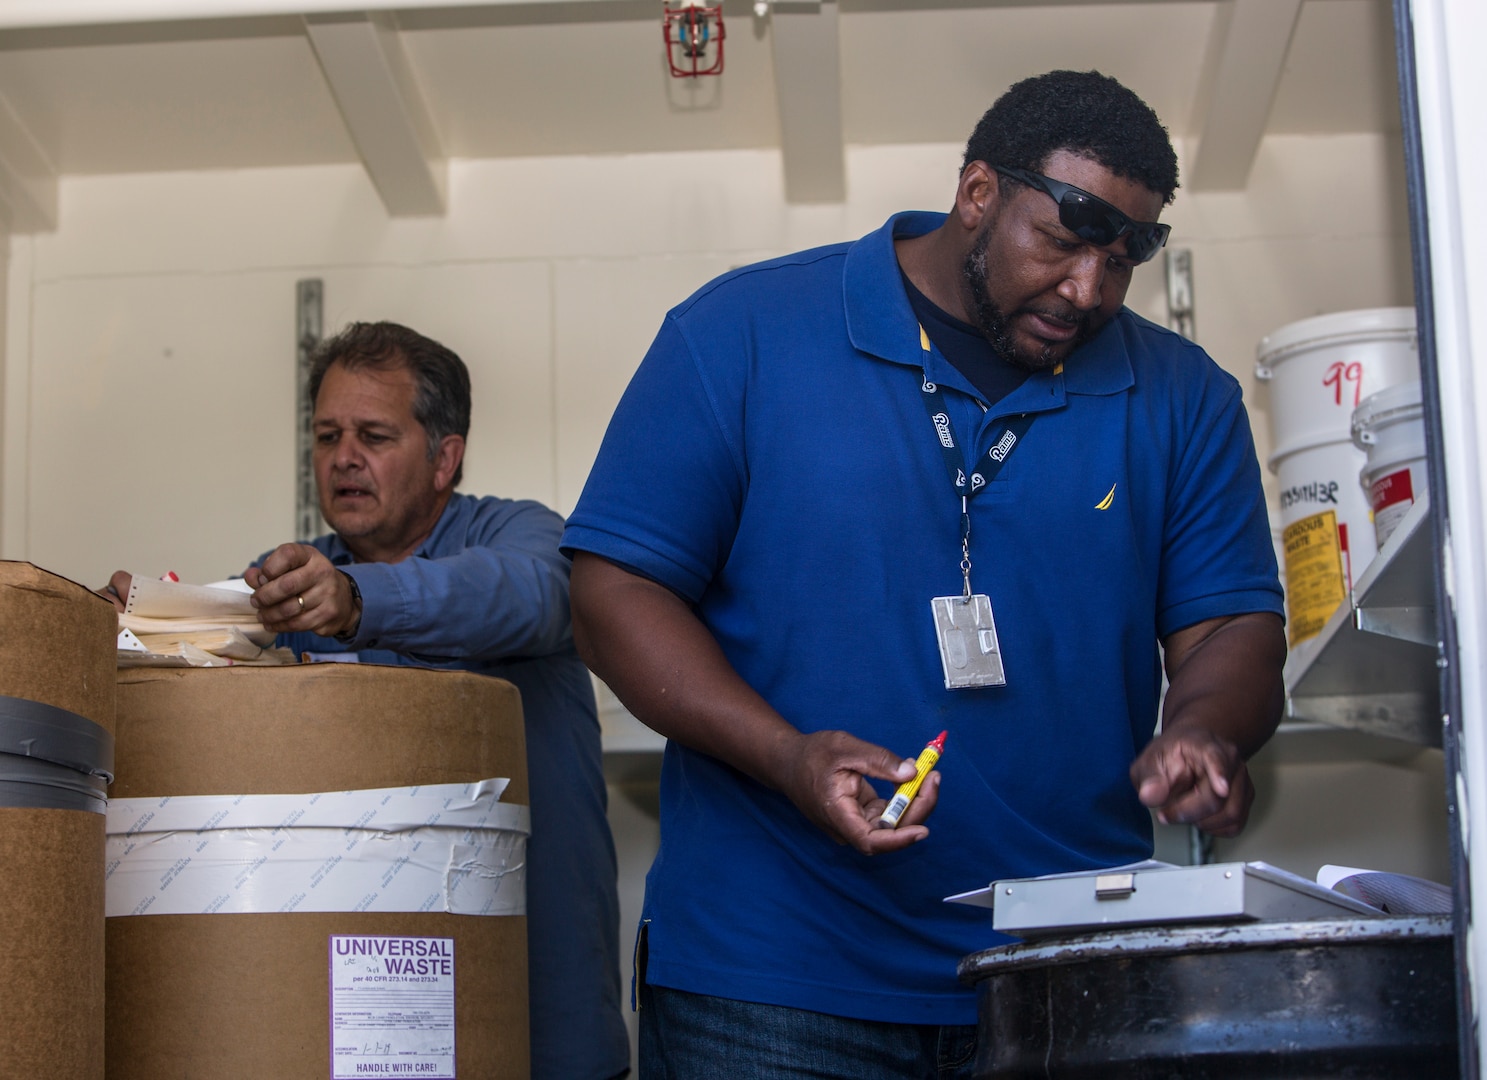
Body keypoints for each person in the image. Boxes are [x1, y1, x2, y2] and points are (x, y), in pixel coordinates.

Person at [559, 70, 1286, 1078]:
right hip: (772, 981)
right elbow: (610, 592)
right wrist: (786, 756)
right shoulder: (741, 333)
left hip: (1066, 974)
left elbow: (1227, 629)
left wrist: (1203, 726)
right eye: (1063, 240)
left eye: (1121, 259)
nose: (1087, 290)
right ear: (977, 193)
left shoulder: (1182, 398)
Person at [109, 321, 631, 1080]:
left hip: (540, 1028)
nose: (343, 458)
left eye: (373, 435)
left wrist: (356, 600)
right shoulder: (293, 579)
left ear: (445, 456)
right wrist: (140, 619)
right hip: (353, 1025)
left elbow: (533, 594)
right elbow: (215, 637)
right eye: (327, 436)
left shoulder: (521, 537)